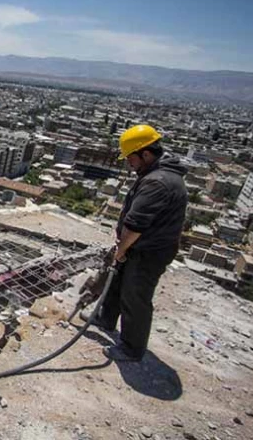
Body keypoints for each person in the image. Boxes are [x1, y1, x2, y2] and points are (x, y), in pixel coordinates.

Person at [94, 124, 188, 362]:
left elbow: (136, 225)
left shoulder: (157, 182)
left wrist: (121, 250)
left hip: (149, 252)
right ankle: (105, 319)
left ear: (146, 154)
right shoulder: (158, 175)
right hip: (141, 247)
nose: (129, 163)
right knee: (117, 282)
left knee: (135, 297)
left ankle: (131, 348)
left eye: (131, 158)